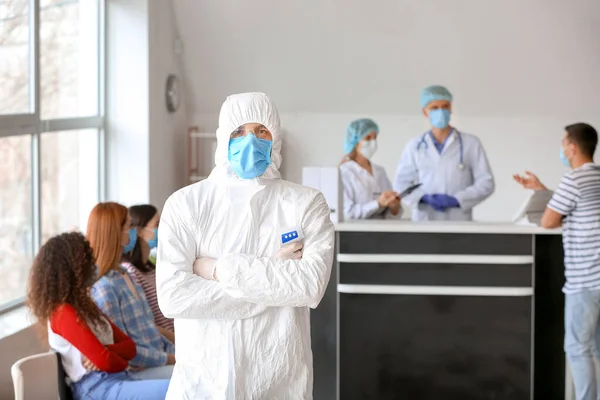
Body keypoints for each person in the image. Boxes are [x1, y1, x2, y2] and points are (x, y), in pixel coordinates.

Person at [156, 92, 335, 399]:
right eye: (239, 131)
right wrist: (274, 278)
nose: (250, 141)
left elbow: (309, 287)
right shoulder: (186, 205)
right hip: (203, 382)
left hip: (278, 382)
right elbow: (174, 297)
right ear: (224, 137)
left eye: (261, 131)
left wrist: (216, 269)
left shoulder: (305, 204)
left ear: (275, 138)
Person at [26, 231, 169, 400]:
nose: (93, 264)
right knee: (179, 390)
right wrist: (112, 357)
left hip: (119, 378)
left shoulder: (86, 306)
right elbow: (107, 362)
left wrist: (106, 352)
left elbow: (129, 348)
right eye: (87, 259)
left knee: (188, 382)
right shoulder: (62, 313)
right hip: (96, 388)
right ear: (73, 268)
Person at [513, 123, 600, 400]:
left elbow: (550, 221)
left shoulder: (573, 179)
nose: (562, 149)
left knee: (577, 348)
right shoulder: (595, 178)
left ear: (572, 148)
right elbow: (578, 206)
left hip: (584, 279)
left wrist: (545, 202)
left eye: (563, 143)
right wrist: (543, 190)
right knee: (598, 348)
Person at [86, 202, 175, 380]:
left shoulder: (123, 274)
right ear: (115, 233)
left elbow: (149, 329)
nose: (133, 231)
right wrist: (172, 358)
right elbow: (125, 348)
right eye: (129, 226)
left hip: (159, 358)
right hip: (140, 370)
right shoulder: (104, 287)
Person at [394, 85, 495, 221]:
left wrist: (457, 200)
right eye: (434, 108)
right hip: (425, 219)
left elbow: (486, 182)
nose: (440, 111)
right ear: (425, 112)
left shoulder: (471, 143)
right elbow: (401, 184)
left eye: (445, 106)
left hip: (458, 219)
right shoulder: (414, 145)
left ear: (451, 108)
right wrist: (424, 198)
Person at [123, 204, 174, 333]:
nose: (160, 229)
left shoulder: (151, 266)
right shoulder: (130, 271)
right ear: (139, 231)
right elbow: (145, 320)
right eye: (156, 225)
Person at [339, 118, 401, 219]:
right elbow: (348, 213)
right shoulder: (344, 172)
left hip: (383, 232)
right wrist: (377, 204)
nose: (373, 142)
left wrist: (394, 208)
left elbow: (391, 217)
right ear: (355, 142)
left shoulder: (380, 171)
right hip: (356, 233)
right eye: (368, 138)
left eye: (375, 138)